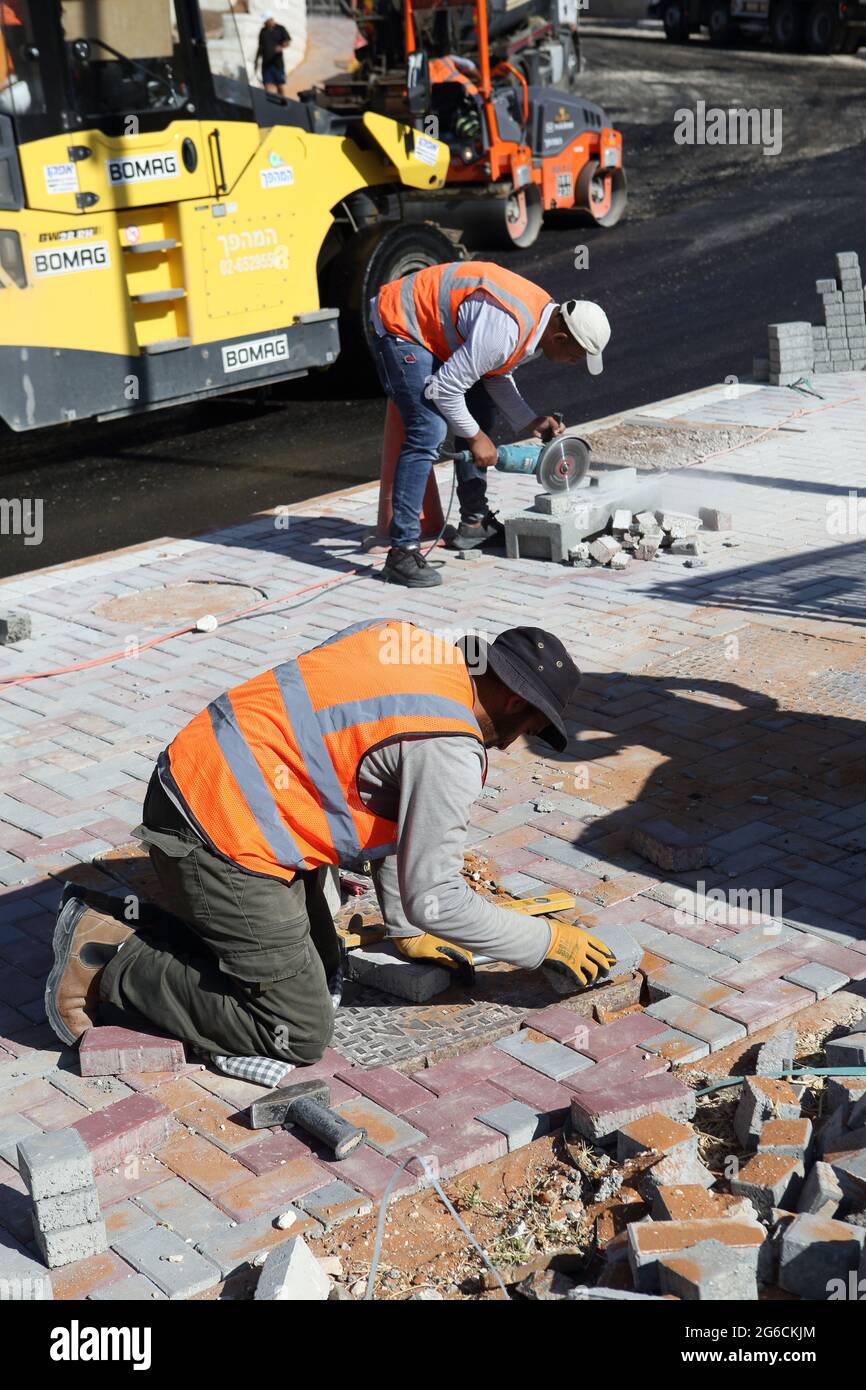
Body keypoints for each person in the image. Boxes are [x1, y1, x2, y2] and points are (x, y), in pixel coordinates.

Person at [46, 620, 616, 1067]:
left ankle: (171, 928)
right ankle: (106, 959)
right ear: (518, 703)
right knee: (296, 1027)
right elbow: (438, 897)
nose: (515, 746)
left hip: (196, 773)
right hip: (222, 829)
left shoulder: (403, 641)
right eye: (530, 731)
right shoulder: (450, 748)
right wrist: (543, 941)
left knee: (322, 970)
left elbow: (390, 801)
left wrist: (405, 928)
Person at [370, 259, 611, 587]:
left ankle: (475, 522)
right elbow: (444, 388)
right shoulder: (506, 330)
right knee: (429, 429)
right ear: (560, 336)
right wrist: (474, 437)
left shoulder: (539, 320)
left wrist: (529, 421)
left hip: (438, 328)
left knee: (481, 407)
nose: (575, 363)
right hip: (403, 321)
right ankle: (402, 551)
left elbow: (495, 373)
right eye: (577, 355)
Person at [255, 11, 291, 97]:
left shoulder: (280, 29)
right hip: (266, 64)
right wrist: (256, 60)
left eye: (266, 21)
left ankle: (283, 103)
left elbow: (287, 42)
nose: (264, 23)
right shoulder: (263, 31)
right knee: (267, 85)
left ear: (270, 19)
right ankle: (270, 105)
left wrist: (281, 47)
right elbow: (260, 47)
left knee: (280, 86)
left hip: (277, 63)